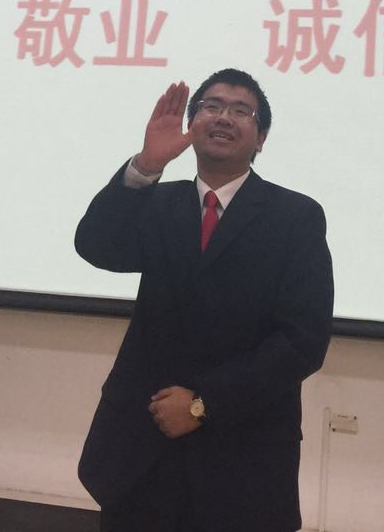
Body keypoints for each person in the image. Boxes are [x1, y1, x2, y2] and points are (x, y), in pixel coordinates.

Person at [75, 68, 335, 532]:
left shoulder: (295, 217)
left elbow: (303, 341)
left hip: (241, 454)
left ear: (261, 138)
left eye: (241, 111)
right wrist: (145, 165)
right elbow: (98, 246)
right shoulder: (157, 202)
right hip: (141, 450)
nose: (223, 117)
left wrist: (203, 403)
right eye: (211, 106)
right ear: (192, 125)